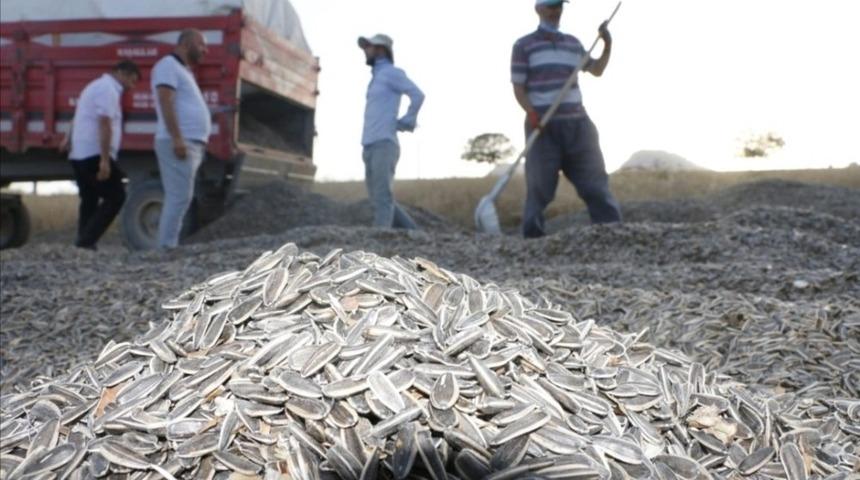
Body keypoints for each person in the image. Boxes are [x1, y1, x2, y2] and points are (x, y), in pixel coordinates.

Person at [512, 0, 622, 238]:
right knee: (539, 188)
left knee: (595, 185)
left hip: (578, 125)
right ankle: (532, 241)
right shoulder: (524, 45)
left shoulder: (573, 44)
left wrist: (607, 44)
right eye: (551, 7)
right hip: (542, 126)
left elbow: (597, 70)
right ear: (539, 9)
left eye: (559, 6)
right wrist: (532, 114)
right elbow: (518, 88)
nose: (556, 11)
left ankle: (613, 235)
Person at [62, 60, 140, 250]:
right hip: (93, 153)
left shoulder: (94, 86)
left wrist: (67, 138)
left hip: (79, 153)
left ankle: (83, 244)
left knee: (89, 198)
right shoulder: (108, 89)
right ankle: (86, 241)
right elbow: (104, 122)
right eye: (132, 80)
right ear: (122, 73)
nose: (133, 86)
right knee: (116, 196)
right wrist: (105, 160)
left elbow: (78, 115)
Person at [358, 33, 425, 229]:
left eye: (368, 47)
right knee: (379, 198)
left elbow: (418, 95)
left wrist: (408, 119)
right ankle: (415, 234)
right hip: (369, 143)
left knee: (382, 197)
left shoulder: (391, 73)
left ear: (380, 50)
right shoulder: (377, 77)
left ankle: (380, 240)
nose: (365, 51)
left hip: (384, 143)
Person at [151, 29, 211, 249]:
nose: (206, 50)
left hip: (190, 143)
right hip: (178, 141)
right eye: (202, 44)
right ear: (186, 44)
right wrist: (177, 138)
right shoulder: (168, 65)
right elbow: (165, 100)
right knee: (179, 198)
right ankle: (166, 249)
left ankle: (168, 247)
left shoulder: (183, 70)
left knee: (181, 198)